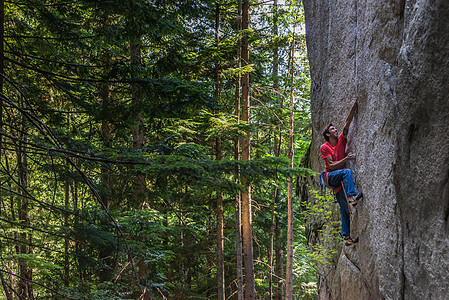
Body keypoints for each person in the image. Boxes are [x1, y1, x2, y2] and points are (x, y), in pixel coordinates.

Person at [320, 100, 362, 246]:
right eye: (332, 129)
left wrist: (354, 105)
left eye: (335, 128)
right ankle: (352, 196)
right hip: (330, 177)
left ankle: (347, 238)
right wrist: (346, 158)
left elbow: (347, 123)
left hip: (338, 180)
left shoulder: (341, 140)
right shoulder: (324, 147)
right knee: (346, 172)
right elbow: (330, 165)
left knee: (344, 208)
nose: (335, 130)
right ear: (327, 134)